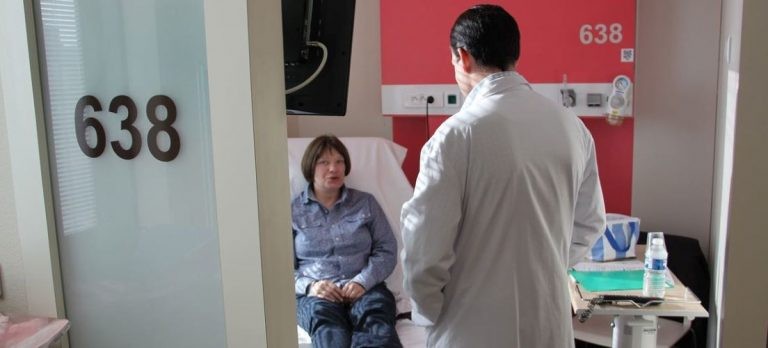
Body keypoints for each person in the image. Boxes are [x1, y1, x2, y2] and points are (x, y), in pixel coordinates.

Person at [400, 5, 606, 347]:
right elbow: (590, 224)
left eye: (453, 61)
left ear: (462, 57)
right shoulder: (572, 127)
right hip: (548, 324)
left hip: (470, 328)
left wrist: (429, 313)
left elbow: (424, 250)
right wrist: (543, 265)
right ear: (514, 55)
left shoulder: (456, 137)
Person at [292, 135, 403, 348]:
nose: (333, 168)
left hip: (366, 288)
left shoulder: (366, 203)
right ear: (310, 167)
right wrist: (311, 287)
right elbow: (280, 269)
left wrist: (362, 281)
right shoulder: (292, 211)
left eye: (339, 161)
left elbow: (387, 249)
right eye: (324, 162)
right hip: (317, 296)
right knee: (329, 332)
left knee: (377, 326)